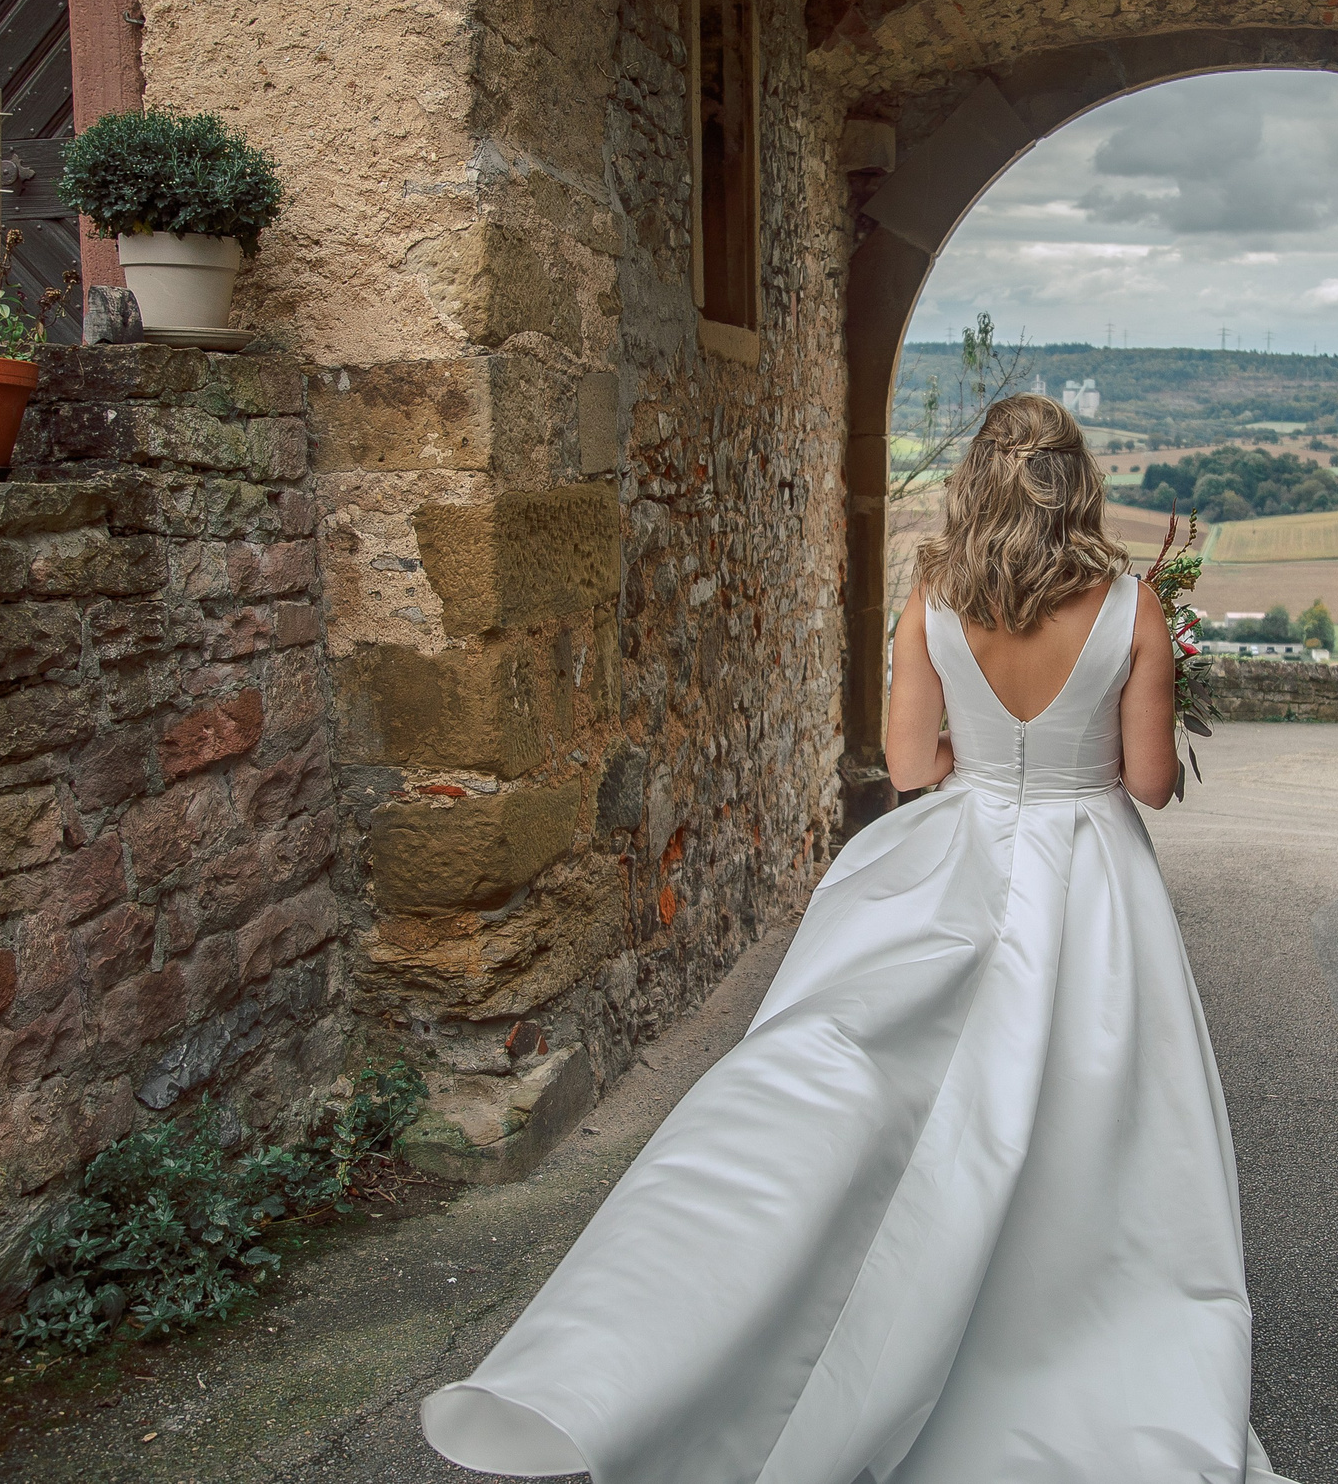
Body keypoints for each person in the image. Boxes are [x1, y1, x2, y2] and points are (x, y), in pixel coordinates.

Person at [420, 393, 1292, 1483]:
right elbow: (1151, 784)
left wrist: (991, 746)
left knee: (860, 1084)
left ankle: (701, 1348)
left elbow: (915, 766)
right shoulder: (1131, 607)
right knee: (1095, 1111)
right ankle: (1064, 1316)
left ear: (978, 481)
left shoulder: (931, 599)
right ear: (1081, 485)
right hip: (1090, 886)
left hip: (960, 859)